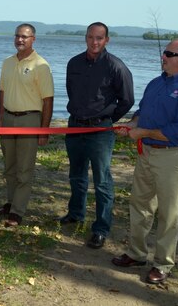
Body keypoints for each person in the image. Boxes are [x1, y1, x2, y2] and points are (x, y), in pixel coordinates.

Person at [111, 38, 178, 284]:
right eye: (164, 52)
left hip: (172, 157)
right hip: (146, 154)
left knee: (169, 213)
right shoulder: (156, 83)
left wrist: (142, 132)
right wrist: (131, 125)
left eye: (169, 53)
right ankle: (136, 253)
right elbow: (142, 113)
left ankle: (163, 264)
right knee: (140, 204)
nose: (163, 57)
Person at [61, 22, 134, 249]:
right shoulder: (74, 63)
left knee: (102, 181)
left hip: (100, 131)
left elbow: (127, 100)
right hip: (75, 128)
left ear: (107, 40)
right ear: (85, 37)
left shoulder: (116, 67)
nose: (95, 42)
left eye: (99, 38)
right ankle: (76, 214)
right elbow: (71, 91)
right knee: (76, 175)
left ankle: (101, 229)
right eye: (91, 37)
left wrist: (107, 120)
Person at [0, 24, 54, 227]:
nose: (20, 40)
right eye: (17, 36)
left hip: (30, 120)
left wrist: (44, 130)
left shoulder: (41, 65)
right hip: (9, 119)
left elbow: (48, 100)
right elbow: (2, 92)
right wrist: (0, 118)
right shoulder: (7, 63)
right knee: (9, 166)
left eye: (25, 37)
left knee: (24, 169)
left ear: (33, 39)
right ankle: (11, 202)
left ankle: (17, 212)